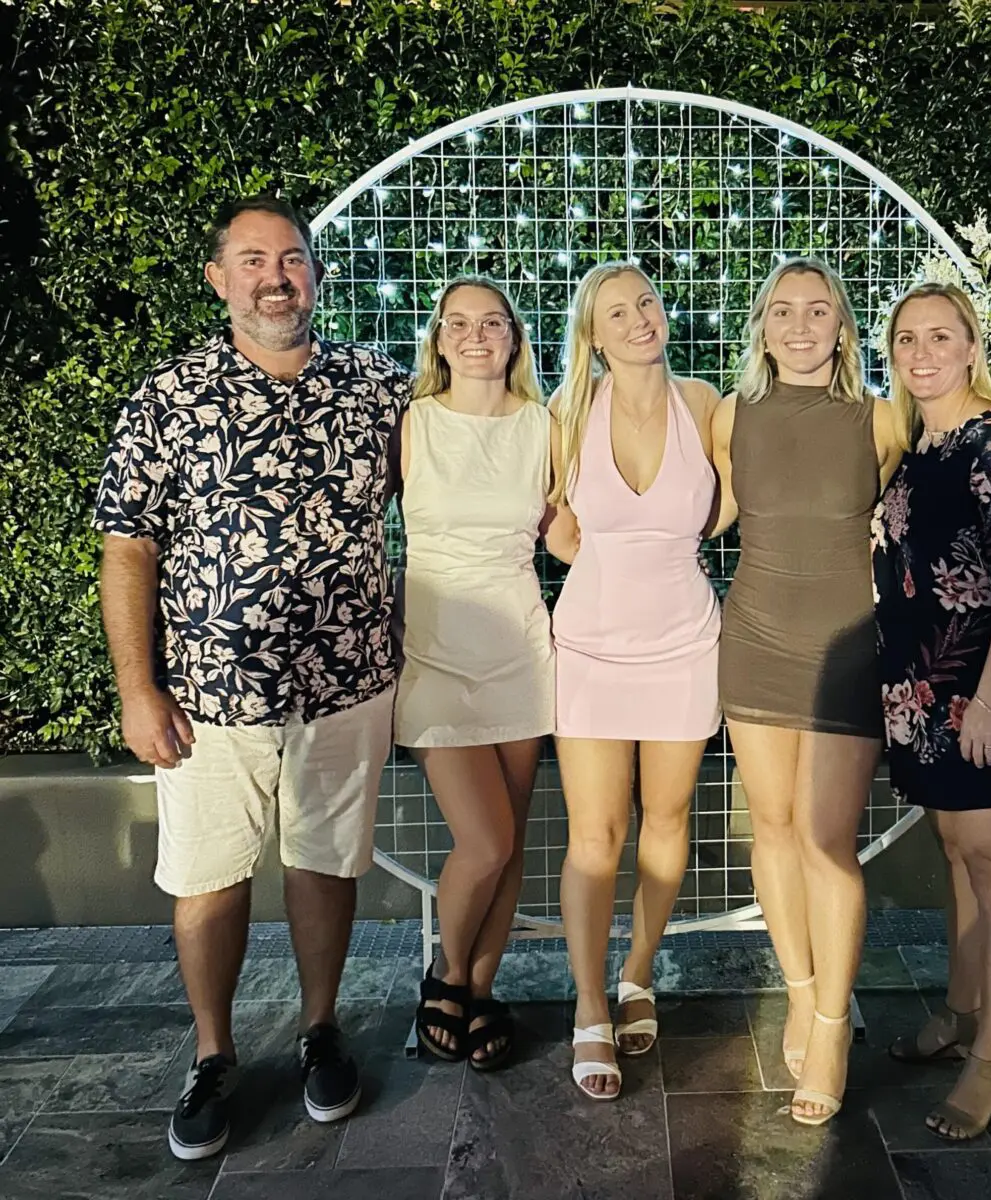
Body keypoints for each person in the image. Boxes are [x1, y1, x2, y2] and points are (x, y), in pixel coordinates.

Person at [94, 196, 411, 1160]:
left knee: (325, 863)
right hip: (209, 695)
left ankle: (321, 1030)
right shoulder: (168, 396)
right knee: (207, 878)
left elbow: (459, 487)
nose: (277, 278)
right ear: (219, 279)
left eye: (293, 259)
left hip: (348, 681)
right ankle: (213, 1054)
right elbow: (128, 548)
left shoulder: (376, 387)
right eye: (254, 261)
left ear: (314, 273)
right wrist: (137, 688)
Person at [712, 257, 900, 1126]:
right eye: (781, 310)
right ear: (760, 325)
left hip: (844, 646)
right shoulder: (729, 413)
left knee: (826, 841)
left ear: (842, 327)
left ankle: (831, 1026)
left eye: (816, 310)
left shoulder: (881, 416)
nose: (798, 326)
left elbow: (921, 509)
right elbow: (706, 511)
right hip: (752, 638)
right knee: (774, 828)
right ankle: (799, 990)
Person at [873, 282, 991, 1140]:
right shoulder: (921, 446)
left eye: (939, 336)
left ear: (972, 346)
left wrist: (988, 698)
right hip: (927, 686)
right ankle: (959, 1011)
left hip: (989, 690)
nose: (922, 353)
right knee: (955, 853)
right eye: (906, 338)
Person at [549, 263, 723, 1101]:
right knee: (595, 833)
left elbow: (729, 503)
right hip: (589, 648)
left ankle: (638, 972)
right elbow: (555, 527)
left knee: (666, 817)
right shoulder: (566, 411)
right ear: (592, 333)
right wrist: (613, 567)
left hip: (685, 644)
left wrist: (666, 552)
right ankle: (589, 1004)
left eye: (646, 302)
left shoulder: (704, 403)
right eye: (616, 312)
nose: (638, 319)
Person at [395, 277, 561, 1072]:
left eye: (491, 322)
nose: (474, 335)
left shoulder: (543, 426)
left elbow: (571, 529)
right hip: (432, 652)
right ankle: (448, 975)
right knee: (484, 840)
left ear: (514, 337)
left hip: (518, 653)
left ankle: (482, 989)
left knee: (509, 839)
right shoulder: (411, 422)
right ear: (437, 339)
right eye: (457, 323)